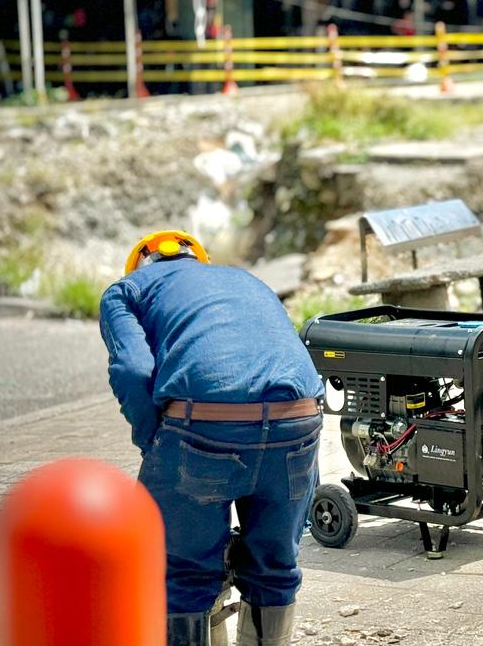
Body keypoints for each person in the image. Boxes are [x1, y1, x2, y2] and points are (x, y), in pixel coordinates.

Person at [100, 231, 323, 645]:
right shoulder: (247, 279)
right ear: (199, 259)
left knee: (182, 572)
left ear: (138, 265)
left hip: (202, 430)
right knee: (275, 567)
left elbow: (132, 370)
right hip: (300, 422)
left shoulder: (126, 291)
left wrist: (154, 441)